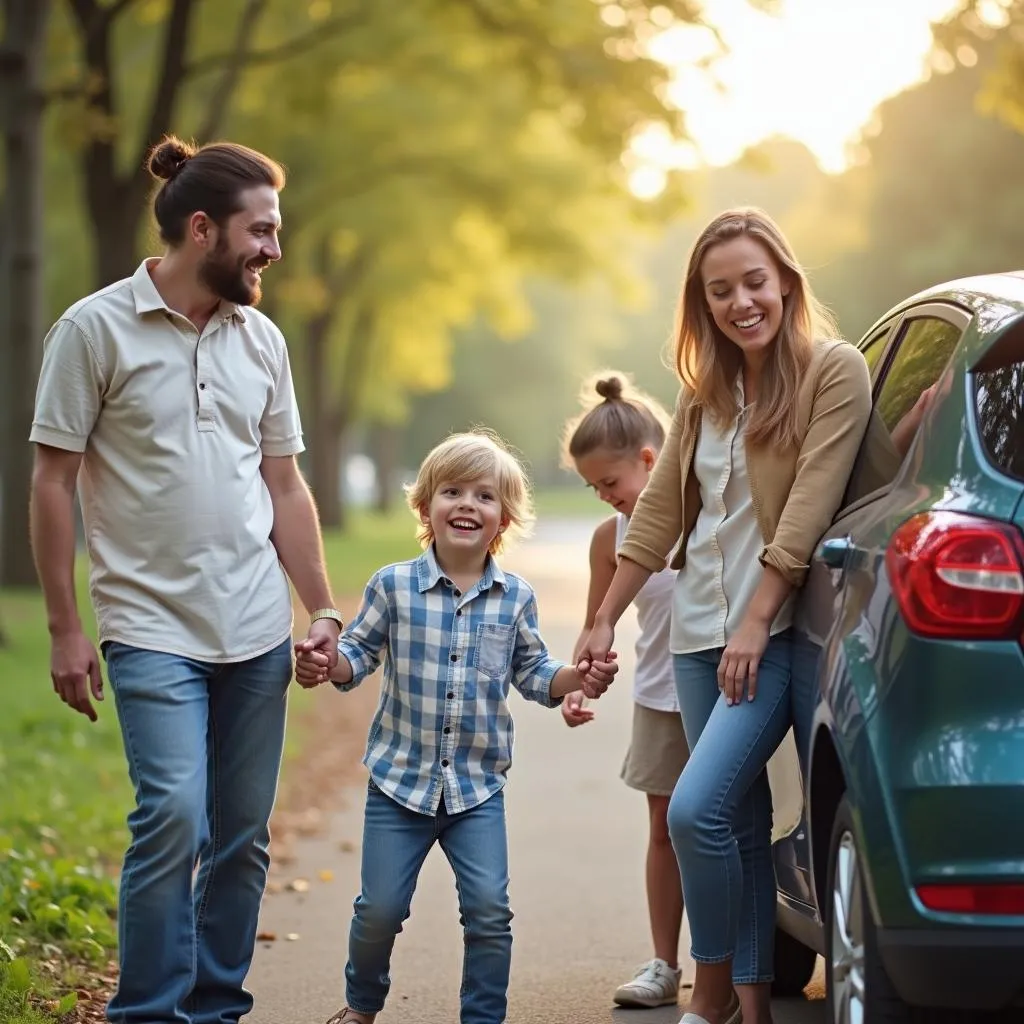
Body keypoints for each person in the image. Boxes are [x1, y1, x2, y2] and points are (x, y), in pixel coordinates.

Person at [29, 135, 342, 1024]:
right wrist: (63, 626)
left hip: (252, 629)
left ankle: (213, 1009)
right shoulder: (93, 330)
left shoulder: (263, 339)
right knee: (173, 815)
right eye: (262, 231)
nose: (275, 251)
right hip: (147, 625)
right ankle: (147, 1012)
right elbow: (52, 480)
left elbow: (284, 484)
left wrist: (320, 605)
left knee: (241, 839)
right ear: (202, 229)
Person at [577, 207, 872, 1024]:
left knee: (694, 809)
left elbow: (809, 506)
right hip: (700, 634)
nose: (741, 302)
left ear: (784, 280)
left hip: (768, 637)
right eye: (719, 291)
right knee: (737, 825)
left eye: (753, 282)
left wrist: (757, 618)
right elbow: (663, 512)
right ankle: (750, 1005)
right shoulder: (705, 391)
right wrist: (605, 616)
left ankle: (705, 996)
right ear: (701, 305)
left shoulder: (832, 370)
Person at [293, 430, 620, 1024]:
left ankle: (483, 1017)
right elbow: (357, 657)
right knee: (381, 909)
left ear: (504, 519)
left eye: (485, 496)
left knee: (491, 910)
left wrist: (579, 678)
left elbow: (534, 672)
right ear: (425, 507)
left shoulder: (514, 598)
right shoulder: (392, 585)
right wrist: (326, 663)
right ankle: (362, 1004)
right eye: (452, 491)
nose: (468, 504)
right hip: (399, 784)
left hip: (476, 789)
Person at [559, 371, 690, 1009]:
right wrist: (582, 686)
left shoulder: (705, 514)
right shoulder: (609, 540)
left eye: (610, 483)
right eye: (594, 487)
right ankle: (665, 963)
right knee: (664, 827)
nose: (605, 498)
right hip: (659, 697)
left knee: (741, 826)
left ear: (648, 459)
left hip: (723, 691)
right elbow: (597, 628)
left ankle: (751, 956)